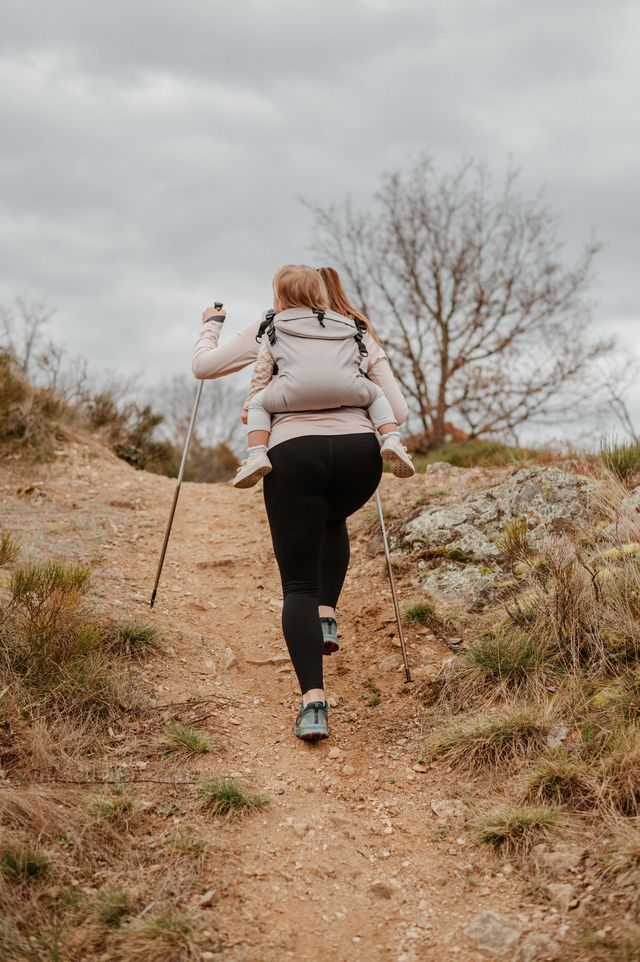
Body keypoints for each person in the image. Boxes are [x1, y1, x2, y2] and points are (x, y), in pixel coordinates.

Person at [192, 265, 409, 741]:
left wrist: (211, 325)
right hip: (359, 458)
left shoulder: (271, 324)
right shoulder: (355, 329)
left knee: (296, 585)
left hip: (294, 454)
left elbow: (204, 369)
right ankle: (327, 616)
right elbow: (400, 408)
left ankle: (313, 702)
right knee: (332, 517)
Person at [233, 265, 414, 488]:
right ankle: (392, 440)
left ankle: (256, 455)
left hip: (292, 395)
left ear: (279, 300)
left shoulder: (274, 328)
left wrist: (249, 406)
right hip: (346, 390)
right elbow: (355, 360)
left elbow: (261, 373)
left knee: (258, 405)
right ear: (321, 296)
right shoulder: (346, 325)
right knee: (377, 395)